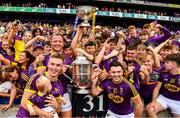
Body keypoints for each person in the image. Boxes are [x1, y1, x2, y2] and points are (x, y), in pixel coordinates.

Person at [18, 53, 64, 117]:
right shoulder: (37, 78)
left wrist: (56, 105)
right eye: (52, 64)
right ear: (48, 64)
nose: (54, 67)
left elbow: (58, 110)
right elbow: (24, 102)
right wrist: (44, 114)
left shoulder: (60, 86)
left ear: (62, 67)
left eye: (58, 65)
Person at [147, 53, 180, 117]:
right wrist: (153, 101)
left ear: (174, 64)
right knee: (150, 109)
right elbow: (157, 88)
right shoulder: (164, 73)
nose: (164, 64)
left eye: (167, 63)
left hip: (178, 102)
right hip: (164, 98)